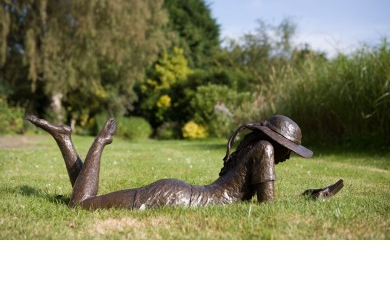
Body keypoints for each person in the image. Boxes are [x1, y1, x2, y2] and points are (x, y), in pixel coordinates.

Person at [26, 114, 343, 210]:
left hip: (183, 194)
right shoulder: (266, 150)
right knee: (80, 206)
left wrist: (309, 196)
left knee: (86, 201)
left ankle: (65, 139)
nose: (288, 154)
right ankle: (99, 142)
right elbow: (268, 208)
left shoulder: (255, 146)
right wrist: (312, 200)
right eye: (288, 147)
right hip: (181, 198)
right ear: (279, 144)